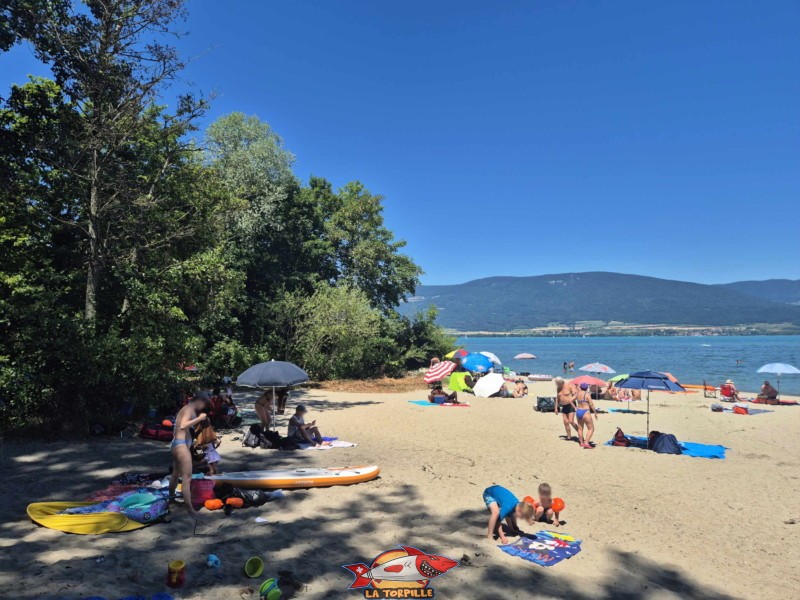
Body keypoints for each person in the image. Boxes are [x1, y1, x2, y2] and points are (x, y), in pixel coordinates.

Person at [169, 392, 210, 517]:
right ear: (200, 400)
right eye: (204, 404)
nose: (203, 408)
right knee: (187, 477)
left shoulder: (189, 409)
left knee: (176, 474)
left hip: (179, 444)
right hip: (180, 445)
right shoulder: (188, 409)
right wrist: (199, 418)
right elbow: (183, 426)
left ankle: (171, 498)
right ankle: (189, 508)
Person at [554, 377, 580, 442]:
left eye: (558, 383)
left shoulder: (569, 385)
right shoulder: (558, 388)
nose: (557, 385)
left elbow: (576, 394)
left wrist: (572, 398)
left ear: (562, 382)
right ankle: (569, 436)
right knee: (565, 422)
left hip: (571, 405)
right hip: (564, 406)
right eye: (556, 384)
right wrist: (556, 408)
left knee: (571, 421)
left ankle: (580, 434)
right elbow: (557, 398)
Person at [575, 383, 599, 448]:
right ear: (586, 388)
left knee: (580, 428)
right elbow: (591, 404)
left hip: (578, 411)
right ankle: (586, 442)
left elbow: (571, 400)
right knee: (591, 428)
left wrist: (575, 406)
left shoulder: (577, 393)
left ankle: (581, 443)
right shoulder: (587, 394)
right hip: (585, 412)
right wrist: (595, 413)